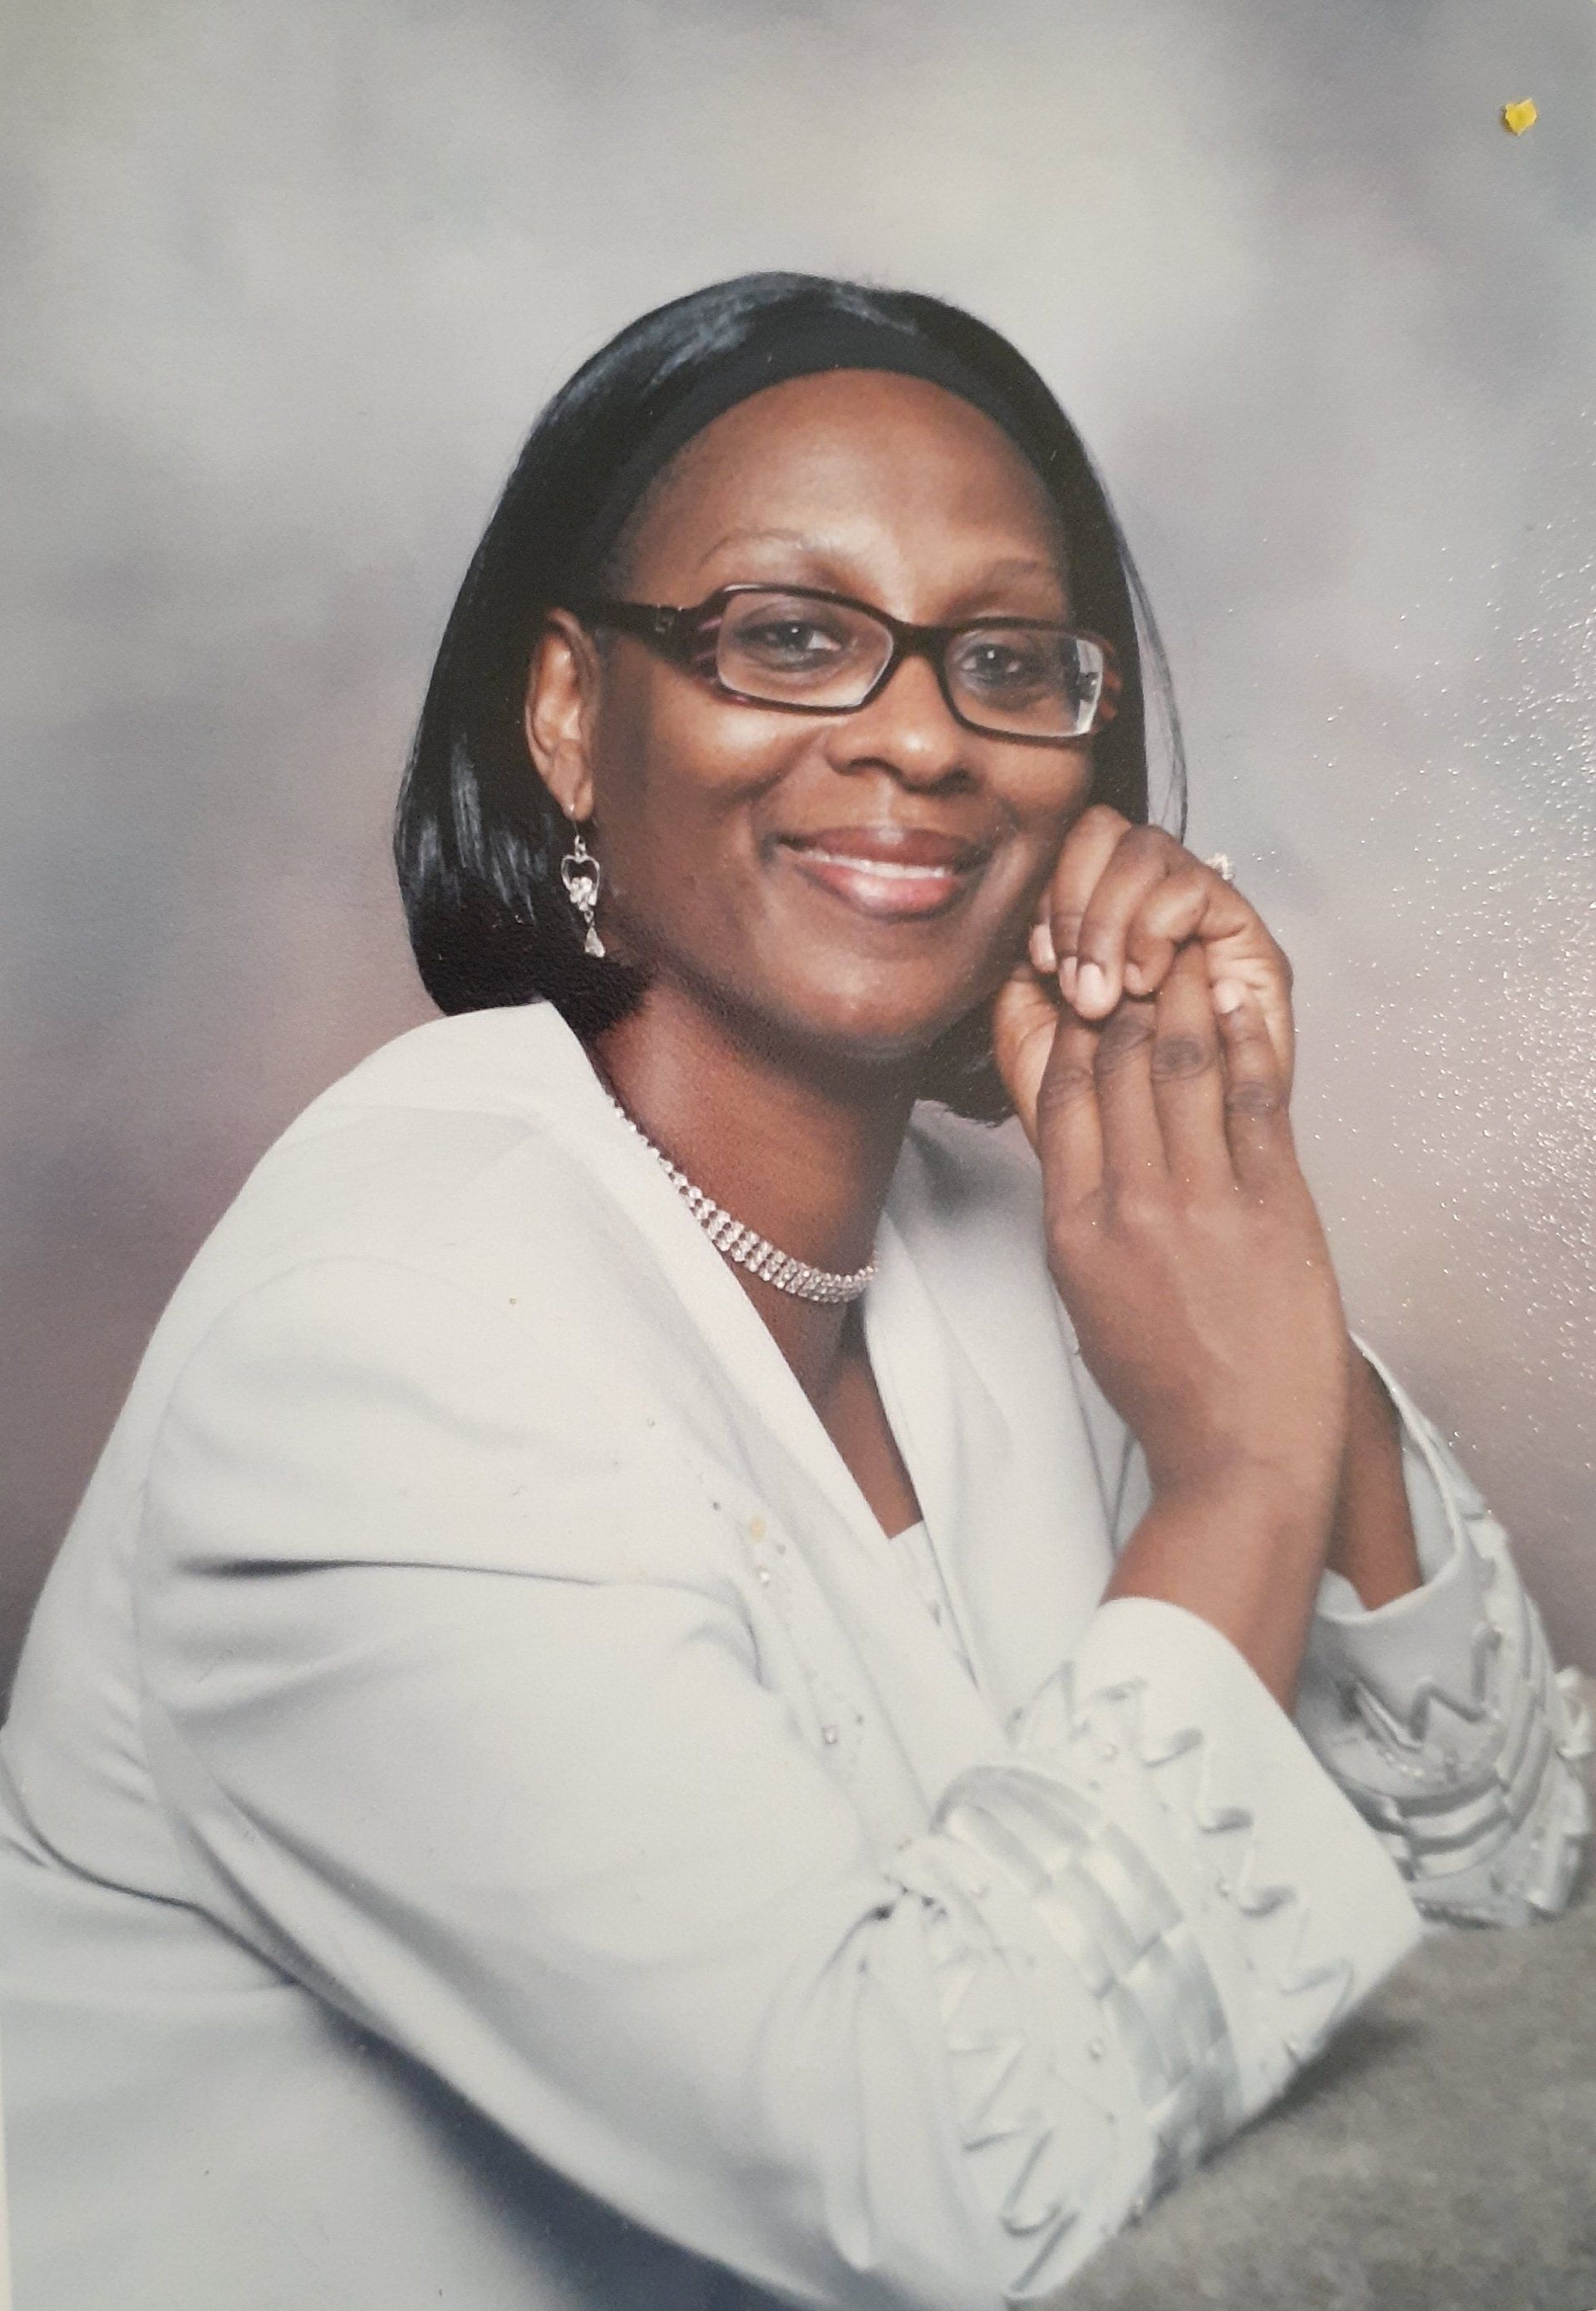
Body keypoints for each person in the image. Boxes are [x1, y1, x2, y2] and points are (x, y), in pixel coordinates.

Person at [0, 271, 1589, 2311]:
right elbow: (926, 2182)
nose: (919, 735)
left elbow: (1505, 1894)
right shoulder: (381, 1336)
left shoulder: (1039, 1252)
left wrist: (1253, 1252)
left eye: (1001, 660)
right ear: (570, 714)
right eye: (791, 636)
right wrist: (1247, 1475)